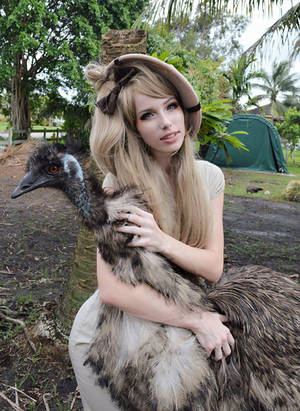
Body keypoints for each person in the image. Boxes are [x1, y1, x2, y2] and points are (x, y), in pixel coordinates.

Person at [68, 54, 235, 411]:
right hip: (110, 336)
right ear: (134, 128)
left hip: (173, 331)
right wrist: (196, 319)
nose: (166, 123)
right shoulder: (119, 186)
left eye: (171, 106)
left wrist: (162, 240)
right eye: (148, 115)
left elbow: (212, 267)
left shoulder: (209, 178)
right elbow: (112, 290)